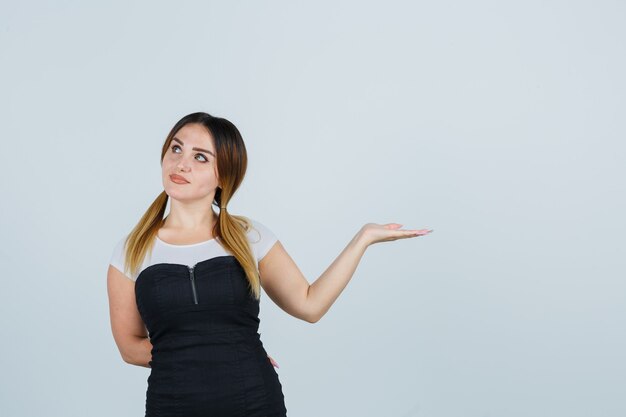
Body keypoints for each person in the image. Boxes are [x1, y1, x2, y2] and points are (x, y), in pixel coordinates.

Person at [106, 111, 433, 417]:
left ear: (224, 175)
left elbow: (310, 305)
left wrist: (362, 239)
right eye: (176, 149)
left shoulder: (250, 236)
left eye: (200, 156)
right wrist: (204, 354)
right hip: (172, 406)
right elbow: (129, 347)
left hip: (255, 402)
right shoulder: (132, 250)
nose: (181, 163)